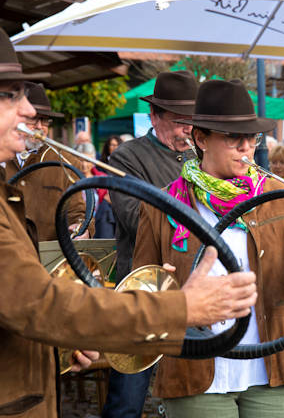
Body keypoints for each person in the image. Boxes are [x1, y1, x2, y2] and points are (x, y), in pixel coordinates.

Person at [0, 22, 258, 417]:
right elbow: (36, 303)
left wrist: (56, 345)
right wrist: (183, 309)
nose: (28, 111)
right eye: (11, 97)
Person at [133, 79, 284, 418]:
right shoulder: (162, 203)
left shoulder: (279, 193)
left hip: (271, 365)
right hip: (196, 371)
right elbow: (143, 280)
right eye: (233, 138)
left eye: (251, 138)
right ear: (200, 138)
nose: (246, 148)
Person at [105, 70, 198, 418]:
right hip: (145, 289)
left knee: (192, 393)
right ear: (155, 116)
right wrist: (188, 190)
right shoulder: (126, 157)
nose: (189, 130)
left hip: (194, 287)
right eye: (180, 122)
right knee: (127, 398)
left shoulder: (202, 155)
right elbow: (134, 219)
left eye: (194, 121)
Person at [5, 82, 93, 241]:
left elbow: (79, 213)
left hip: (48, 260)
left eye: (45, 120)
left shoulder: (67, 161)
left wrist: (81, 229)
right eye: (33, 119)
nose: (40, 127)